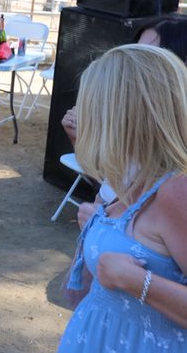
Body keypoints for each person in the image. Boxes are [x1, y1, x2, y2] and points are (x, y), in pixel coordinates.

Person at [51, 45, 187, 353]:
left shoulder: (176, 190)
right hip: (100, 352)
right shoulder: (134, 176)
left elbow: (127, 272)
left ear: (123, 113)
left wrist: (137, 281)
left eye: (92, 105)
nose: (82, 115)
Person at [62, 13, 187, 224]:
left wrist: (106, 224)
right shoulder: (138, 125)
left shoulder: (178, 179)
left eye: (149, 57)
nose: (131, 66)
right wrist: (80, 140)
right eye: (136, 51)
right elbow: (113, 182)